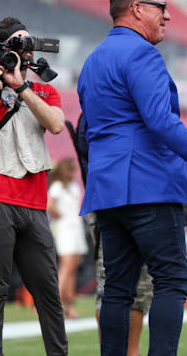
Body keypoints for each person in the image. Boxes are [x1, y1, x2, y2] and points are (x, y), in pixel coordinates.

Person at [78, 0, 187, 356]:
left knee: (117, 289)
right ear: (137, 9)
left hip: (107, 189)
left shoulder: (92, 60)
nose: (168, 16)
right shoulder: (142, 55)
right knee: (171, 281)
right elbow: (161, 122)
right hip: (149, 185)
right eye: (161, 7)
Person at [0, 17, 68, 356]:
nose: (25, 51)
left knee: (49, 293)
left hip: (35, 203)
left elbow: (56, 125)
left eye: (28, 43)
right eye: (17, 44)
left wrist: (22, 87)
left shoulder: (44, 89)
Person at [67, 115, 154, 356]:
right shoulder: (106, 112)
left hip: (108, 200)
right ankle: (128, 352)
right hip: (123, 200)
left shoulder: (92, 112)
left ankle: (121, 351)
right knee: (125, 285)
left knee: (119, 285)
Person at [47, 158, 88, 319]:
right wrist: (61, 216)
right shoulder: (57, 186)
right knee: (66, 267)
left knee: (73, 269)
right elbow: (50, 205)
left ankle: (69, 306)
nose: (74, 172)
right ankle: (52, 304)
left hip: (76, 228)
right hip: (65, 229)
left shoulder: (73, 186)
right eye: (71, 169)